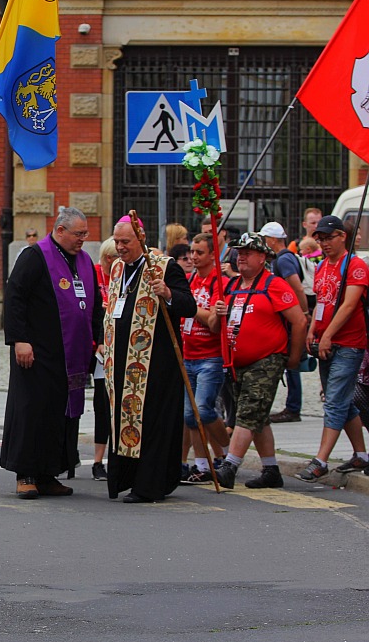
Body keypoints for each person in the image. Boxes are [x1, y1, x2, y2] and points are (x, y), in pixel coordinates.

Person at [1, 206, 102, 498]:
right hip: (36, 351)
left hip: (69, 355)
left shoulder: (83, 261)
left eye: (85, 234)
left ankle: (50, 472)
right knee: (33, 411)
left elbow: (93, 305)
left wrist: (99, 339)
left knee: (61, 414)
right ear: (60, 231)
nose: (82, 239)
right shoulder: (35, 256)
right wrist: (19, 339)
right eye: (78, 234)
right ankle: (27, 473)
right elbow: (15, 297)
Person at [102, 215, 197, 503]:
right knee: (123, 420)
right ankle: (125, 478)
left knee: (151, 423)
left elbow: (189, 306)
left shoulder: (164, 267)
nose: (119, 247)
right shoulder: (118, 268)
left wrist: (167, 293)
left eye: (125, 242)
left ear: (141, 238)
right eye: (117, 241)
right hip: (120, 365)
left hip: (155, 365)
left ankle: (149, 485)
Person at [211, 233, 306, 489]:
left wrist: (293, 358)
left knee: (248, 412)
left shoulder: (274, 284)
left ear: (263, 257)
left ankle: (229, 466)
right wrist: (216, 313)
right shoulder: (230, 287)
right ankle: (271, 469)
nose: (241, 256)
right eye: (239, 252)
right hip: (235, 362)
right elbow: (212, 323)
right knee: (258, 417)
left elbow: (299, 321)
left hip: (266, 360)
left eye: (248, 252)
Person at [296, 215, 369, 481]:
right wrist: (314, 329)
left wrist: (327, 335)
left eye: (328, 238)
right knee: (343, 400)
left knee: (335, 402)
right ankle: (361, 454)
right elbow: (321, 302)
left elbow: (350, 304)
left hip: (349, 343)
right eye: (320, 239)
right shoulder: (323, 266)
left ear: (342, 237)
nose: (324, 243)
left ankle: (320, 460)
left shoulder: (356, 265)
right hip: (326, 341)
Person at [179, 233, 230, 484]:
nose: (194, 257)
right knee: (189, 416)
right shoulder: (189, 280)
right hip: (188, 354)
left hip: (210, 357)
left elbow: (213, 324)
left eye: (199, 252)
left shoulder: (217, 282)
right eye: (192, 252)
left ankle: (227, 450)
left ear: (213, 254)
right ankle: (202, 463)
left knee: (203, 410)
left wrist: (191, 308)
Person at [259, 222, 311, 424]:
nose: (263, 244)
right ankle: (292, 406)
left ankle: (293, 407)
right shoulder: (283, 258)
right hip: (291, 316)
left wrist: (304, 313)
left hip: (292, 318)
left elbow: (296, 287)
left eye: (264, 240)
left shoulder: (283, 260)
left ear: (272, 240)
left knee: (292, 361)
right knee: (291, 362)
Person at [91, 236, 119, 480]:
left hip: (118, 348)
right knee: (101, 406)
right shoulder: (95, 273)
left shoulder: (124, 276)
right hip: (98, 349)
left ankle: (116, 456)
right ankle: (97, 460)